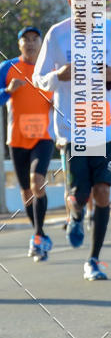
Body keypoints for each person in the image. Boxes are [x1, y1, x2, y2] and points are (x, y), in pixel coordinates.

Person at [34, 0, 111, 279]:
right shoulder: (57, 34)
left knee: (103, 190)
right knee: (80, 194)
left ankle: (93, 260)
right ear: (71, 2)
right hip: (72, 129)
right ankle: (76, 215)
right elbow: (39, 79)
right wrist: (59, 76)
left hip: (105, 127)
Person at [0, 26, 54, 261]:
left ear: (41, 43)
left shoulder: (50, 68)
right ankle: (38, 235)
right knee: (26, 192)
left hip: (43, 137)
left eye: (35, 39)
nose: (30, 43)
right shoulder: (8, 68)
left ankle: (39, 235)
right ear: (19, 44)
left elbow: (65, 96)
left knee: (37, 182)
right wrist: (7, 91)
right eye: (26, 39)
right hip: (18, 138)